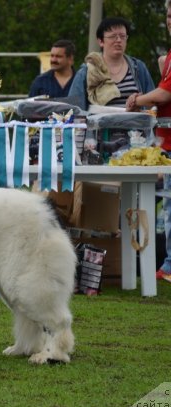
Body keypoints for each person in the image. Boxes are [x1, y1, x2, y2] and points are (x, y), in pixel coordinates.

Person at [125, 0, 171, 282]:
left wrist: (137, 100)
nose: (170, 20)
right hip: (165, 142)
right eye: (168, 15)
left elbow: (165, 94)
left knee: (169, 206)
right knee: (165, 204)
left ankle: (168, 266)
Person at [68, 17, 155, 110]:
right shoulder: (86, 72)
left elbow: (153, 104)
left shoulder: (139, 68)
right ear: (101, 41)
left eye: (122, 36)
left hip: (136, 123)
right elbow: (73, 110)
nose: (118, 40)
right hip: (98, 124)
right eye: (113, 36)